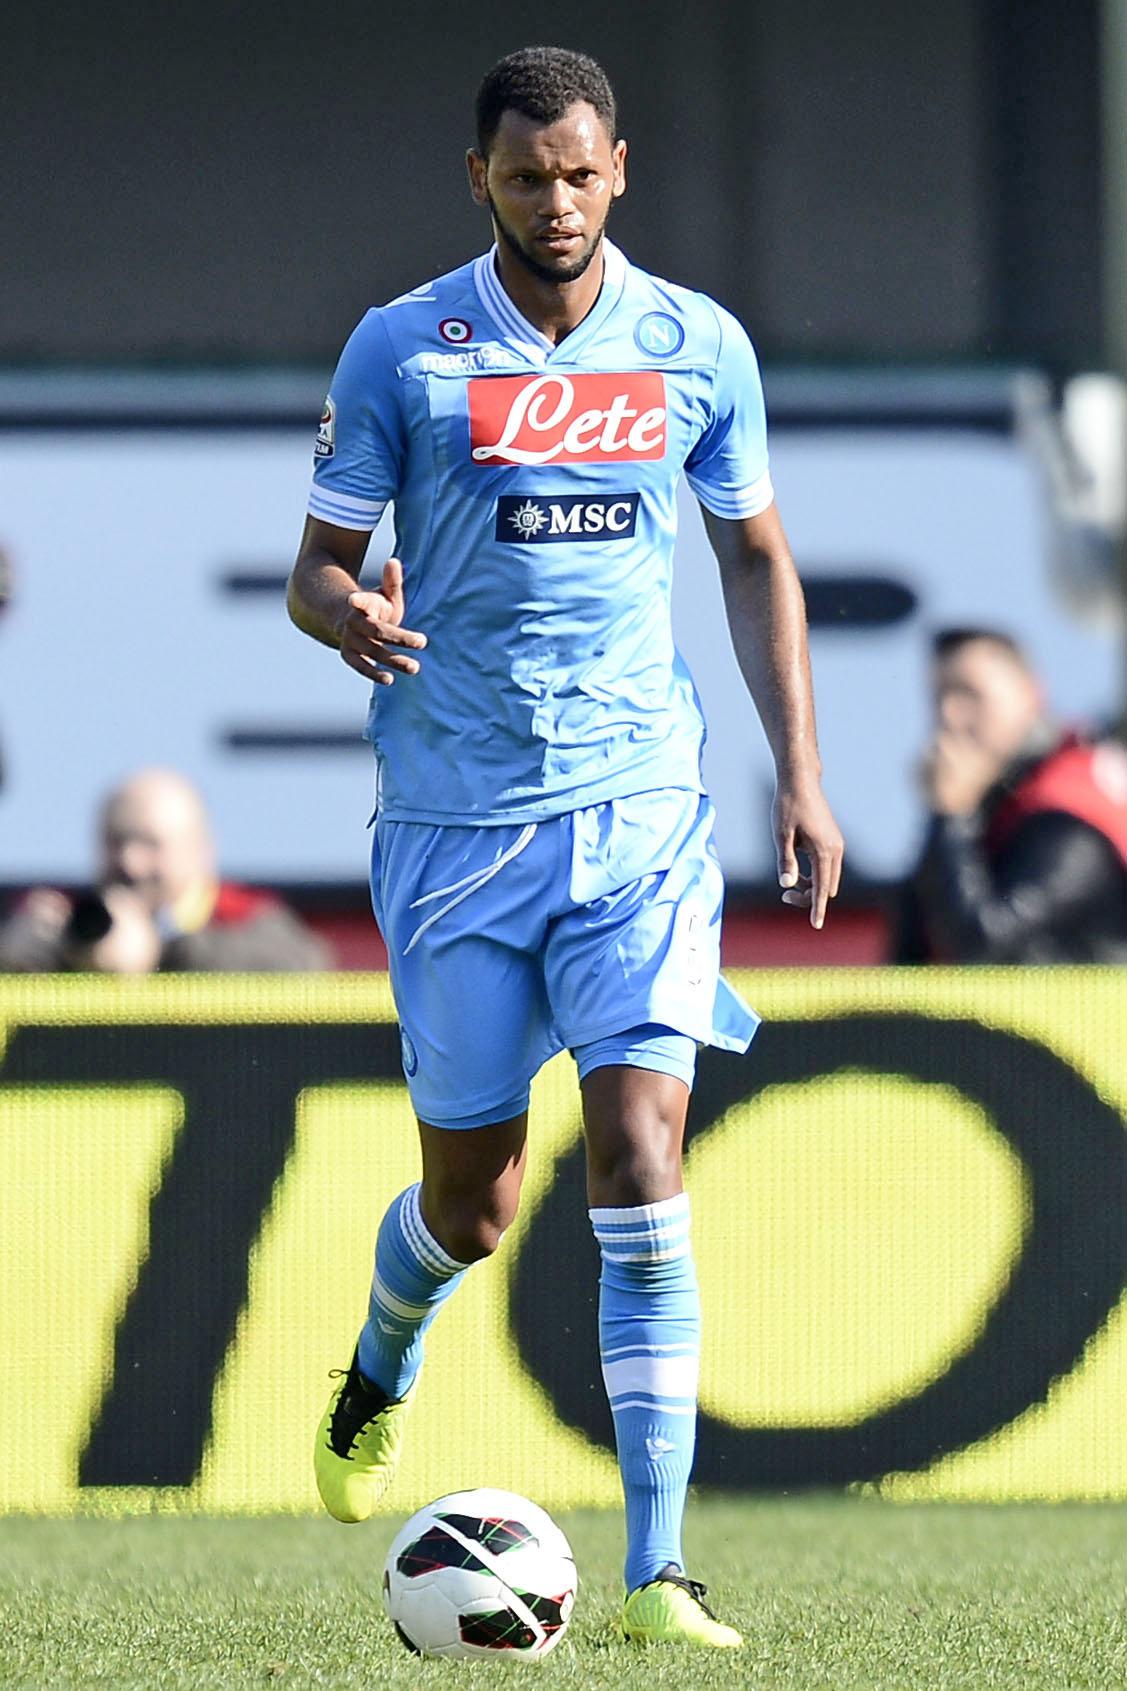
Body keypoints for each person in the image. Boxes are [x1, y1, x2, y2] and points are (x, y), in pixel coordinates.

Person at [287, 45, 843, 1649]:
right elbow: (314, 568)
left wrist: (799, 772)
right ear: (481, 179)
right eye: (524, 176)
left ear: (618, 171)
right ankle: (381, 1357)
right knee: (473, 1203)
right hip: (456, 827)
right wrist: (348, 613)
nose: (553, 202)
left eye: (577, 173)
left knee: (641, 1152)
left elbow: (754, 554)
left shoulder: (693, 345)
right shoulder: (404, 347)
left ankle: (659, 1568)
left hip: (641, 810)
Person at [898, 628, 1127, 962]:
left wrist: (951, 813)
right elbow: (908, 960)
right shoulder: (987, 819)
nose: (949, 715)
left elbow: (981, 947)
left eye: (969, 693)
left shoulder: (1068, 818)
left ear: (1030, 695)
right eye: (939, 697)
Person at [0, 768, 332, 972]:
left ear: (200, 849)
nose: (130, 862)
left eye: (150, 843)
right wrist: (21, 960)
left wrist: (158, 954)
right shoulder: (75, 922)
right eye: (116, 841)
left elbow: (304, 967)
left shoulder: (245, 917)